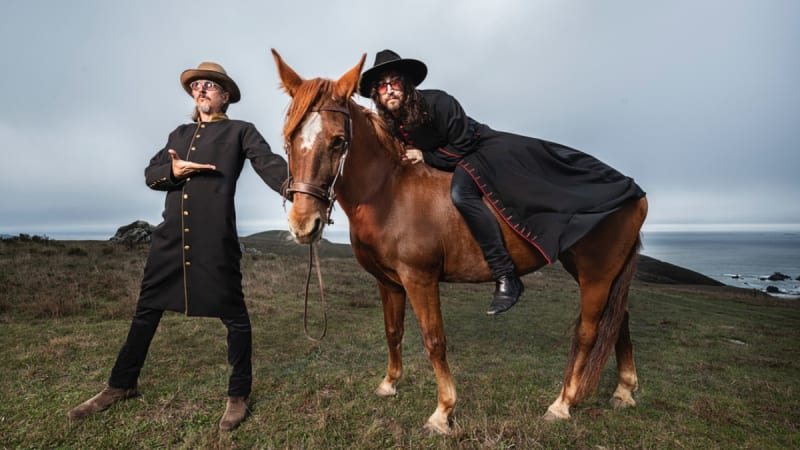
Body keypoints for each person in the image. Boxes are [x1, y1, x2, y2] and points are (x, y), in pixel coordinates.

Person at [67, 62, 287, 431]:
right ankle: (121, 385)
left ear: (226, 95)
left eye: (210, 86)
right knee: (146, 311)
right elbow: (151, 174)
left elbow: (268, 163)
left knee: (234, 317)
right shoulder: (179, 133)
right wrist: (174, 172)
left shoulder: (240, 131)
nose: (201, 90)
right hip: (170, 240)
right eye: (197, 86)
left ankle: (238, 395)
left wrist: (292, 187)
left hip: (214, 239)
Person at [359, 50, 646, 316]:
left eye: (394, 82)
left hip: (479, 151)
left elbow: (462, 143)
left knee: (462, 194)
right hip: (447, 161)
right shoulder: (390, 122)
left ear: (406, 84)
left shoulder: (439, 101)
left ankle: (506, 275)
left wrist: (426, 156)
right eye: (382, 87)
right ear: (377, 95)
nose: (389, 90)